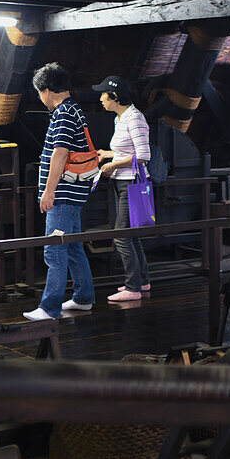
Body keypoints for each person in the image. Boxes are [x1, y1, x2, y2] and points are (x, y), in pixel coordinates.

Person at [23, 63, 96, 320]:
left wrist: (48, 191)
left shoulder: (63, 113)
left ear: (46, 90)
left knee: (54, 250)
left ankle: (49, 307)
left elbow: (60, 153)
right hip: (72, 193)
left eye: (39, 93)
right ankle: (83, 297)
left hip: (63, 194)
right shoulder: (73, 109)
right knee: (73, 247)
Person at [92, 75, 152, 302]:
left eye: (103, 94)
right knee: (131, 234)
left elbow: (144, 156)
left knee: (122, 236)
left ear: (115, 97)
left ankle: (132, 288)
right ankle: (143, 281)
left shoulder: (134, 118)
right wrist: (107, 154)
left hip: (132, 183)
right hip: (123, 181)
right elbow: (129, 150)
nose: (100, 98)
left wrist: (113, 164)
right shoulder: (121, 118)